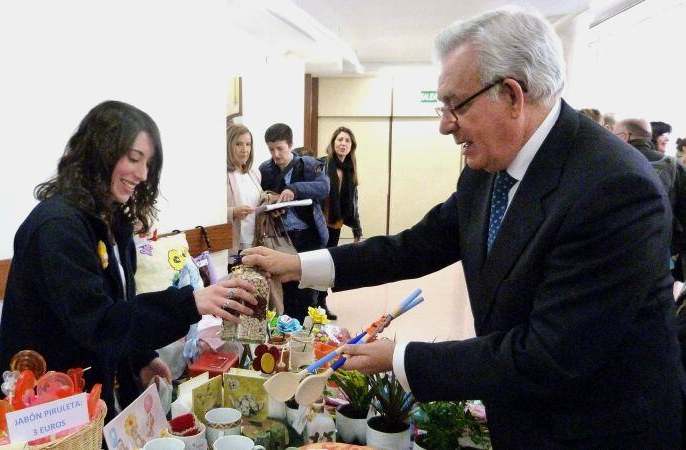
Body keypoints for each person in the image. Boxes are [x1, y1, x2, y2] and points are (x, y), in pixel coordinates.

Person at [244, 7, 684, 448]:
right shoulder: (489, 167)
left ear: (512, 95)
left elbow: (549, 354)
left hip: (597, 429)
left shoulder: (613, 187)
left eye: (456, 106)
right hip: (522, 414)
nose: (443, 125)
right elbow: (414, 246)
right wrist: (298, 265)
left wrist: (400, 358)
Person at [0, 101, 256, 421]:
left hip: (86, 398)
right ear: (99, 151)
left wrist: (140, 358)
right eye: (133, 158)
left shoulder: (112, 220)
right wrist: (190, 303)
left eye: (148, 164)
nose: (142, 174)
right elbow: (99, 324)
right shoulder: (57, 227)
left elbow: (119, 306)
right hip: (44, 406)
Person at [258, 123, 329, 321]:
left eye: (280, 148)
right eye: (271, 149)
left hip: (309, 236)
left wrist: (294, 189)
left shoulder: (307, 164)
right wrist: (271, 200)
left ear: (290, 145)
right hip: (282, 238)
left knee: (308, 290)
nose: (276, 154)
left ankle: (307, 337)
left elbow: (323, 188)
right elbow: (262, 197)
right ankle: (287, 336)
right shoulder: (265, 169)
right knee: (285, 290)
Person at [614, 118, 686, 280]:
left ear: (625, 136)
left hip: (611, 252)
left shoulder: (609, 160)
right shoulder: (673, 166)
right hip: (658, 252)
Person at [316, 126, 363, 320]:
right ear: (333, 143)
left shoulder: (350, 170)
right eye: (339, 140)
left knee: (327, 265)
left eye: (347, 141)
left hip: (335, 225)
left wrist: (357, 228)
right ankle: (313, 304)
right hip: (318, 225)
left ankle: (321, 303)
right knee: (316, 264)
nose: (343, 144)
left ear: (351, 146)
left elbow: (354, 202)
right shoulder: (322, 165)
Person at [226, 124, 262, 268]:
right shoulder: (222, 175)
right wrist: (232, 212)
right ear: (229, 146)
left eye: (248, 144)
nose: (245, 150)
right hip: (234, 244)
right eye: (238, 144)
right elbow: (210, 211)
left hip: (254, 241)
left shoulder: (254, 173)